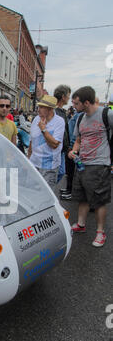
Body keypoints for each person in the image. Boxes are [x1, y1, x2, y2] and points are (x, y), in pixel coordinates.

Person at [68, 86, 113, 247]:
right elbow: (78, 140)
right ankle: (81, 224)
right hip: (82, 164)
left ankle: (100, 233)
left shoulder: (106, 114)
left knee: (99, 201)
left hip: (100, 165)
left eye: (76, 103)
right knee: (82, 197)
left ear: (86, 102)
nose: (73, 106)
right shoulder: (80, 118)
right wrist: (73, 151)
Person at [28, 95, 65, 190]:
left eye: (41, 107)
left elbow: (54, 145)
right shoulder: (36, 119)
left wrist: (43, 129)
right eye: (38, 106)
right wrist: (28, 160)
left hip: (49, 167)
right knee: (32, 192)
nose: (38, 109)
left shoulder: (59, 122)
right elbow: (32, 141)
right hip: (34, 164)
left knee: (46, 196)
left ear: (50, 109)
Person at [53, 85, 72, 191]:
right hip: (57, 148)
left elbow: (65, 131)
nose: (69, 98)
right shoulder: (55, 111)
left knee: (61, 172)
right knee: (59, 172)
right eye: (68, 96)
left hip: (62, 149)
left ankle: (48, 189)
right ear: (63, 96)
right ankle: (47, 189)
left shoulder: (62, 112)